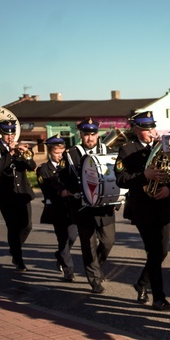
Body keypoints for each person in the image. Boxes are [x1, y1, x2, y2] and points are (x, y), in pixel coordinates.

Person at [115, 111, 170, 311]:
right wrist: (144, 175)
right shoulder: (126, 150)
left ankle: (142, 283)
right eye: (146, 129)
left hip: (161, 206)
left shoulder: (163, 148)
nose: (151, 132)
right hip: (142, 208)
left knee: (161, 252)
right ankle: (158, 298)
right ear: (137, 130)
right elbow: (120, 179)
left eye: (152, 127)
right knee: (154, 251)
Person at [59, 118, 116, 293]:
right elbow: (63, 177)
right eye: (86, 134)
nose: (90, 138)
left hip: (105, 206)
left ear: (98, 134)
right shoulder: (70, 154)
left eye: (93, 134)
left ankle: (96, 266)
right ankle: (94, 279)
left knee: (108, 241)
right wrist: (66, 190)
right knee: (88, 244)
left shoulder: (108, 151)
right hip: (83, 207)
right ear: (80, 135)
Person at [0, 119, 35, 270]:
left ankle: (15, 248)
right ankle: (18, 259)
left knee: (27, 226)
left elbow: (32, 166)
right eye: (7, 134)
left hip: (23, 193)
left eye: (12, 134)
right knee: (13, 227)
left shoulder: (20, 147)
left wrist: (25, 154)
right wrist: (11, 153)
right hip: (6, 196)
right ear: (1, 133)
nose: (10, 137)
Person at [37, 136, 77, 281]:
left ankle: (60, 255)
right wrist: (61, 191)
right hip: (56, 209)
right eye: (57, 153)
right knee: (63, 239)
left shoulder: (69, 166)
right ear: (50, 153)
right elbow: (47, 188)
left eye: (62, 152)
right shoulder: (43, 169)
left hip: (71, 208)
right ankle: (68, 270)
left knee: (72, 236)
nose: (60, 155)